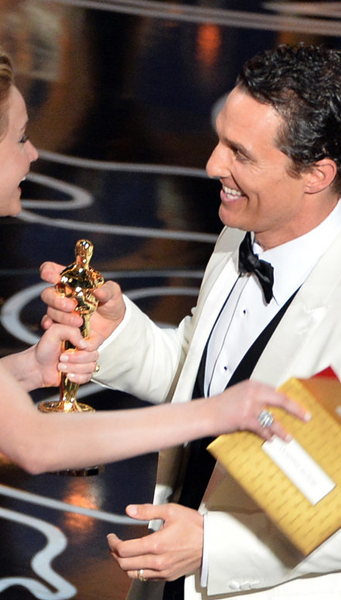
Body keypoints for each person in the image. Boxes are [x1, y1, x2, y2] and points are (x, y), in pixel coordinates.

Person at [0, 36, 305, 600]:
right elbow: (34, 443)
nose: (34, 155)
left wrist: (26, 370)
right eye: (21, 139)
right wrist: (219, 411)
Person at [41, 43, 341, 600]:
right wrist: (116, 336)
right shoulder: (238, 233)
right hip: (172, 574)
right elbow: (203, 377)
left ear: (316, 174)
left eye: (240, 153)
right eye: (220, 138)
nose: (212, 166)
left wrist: (215, 546)